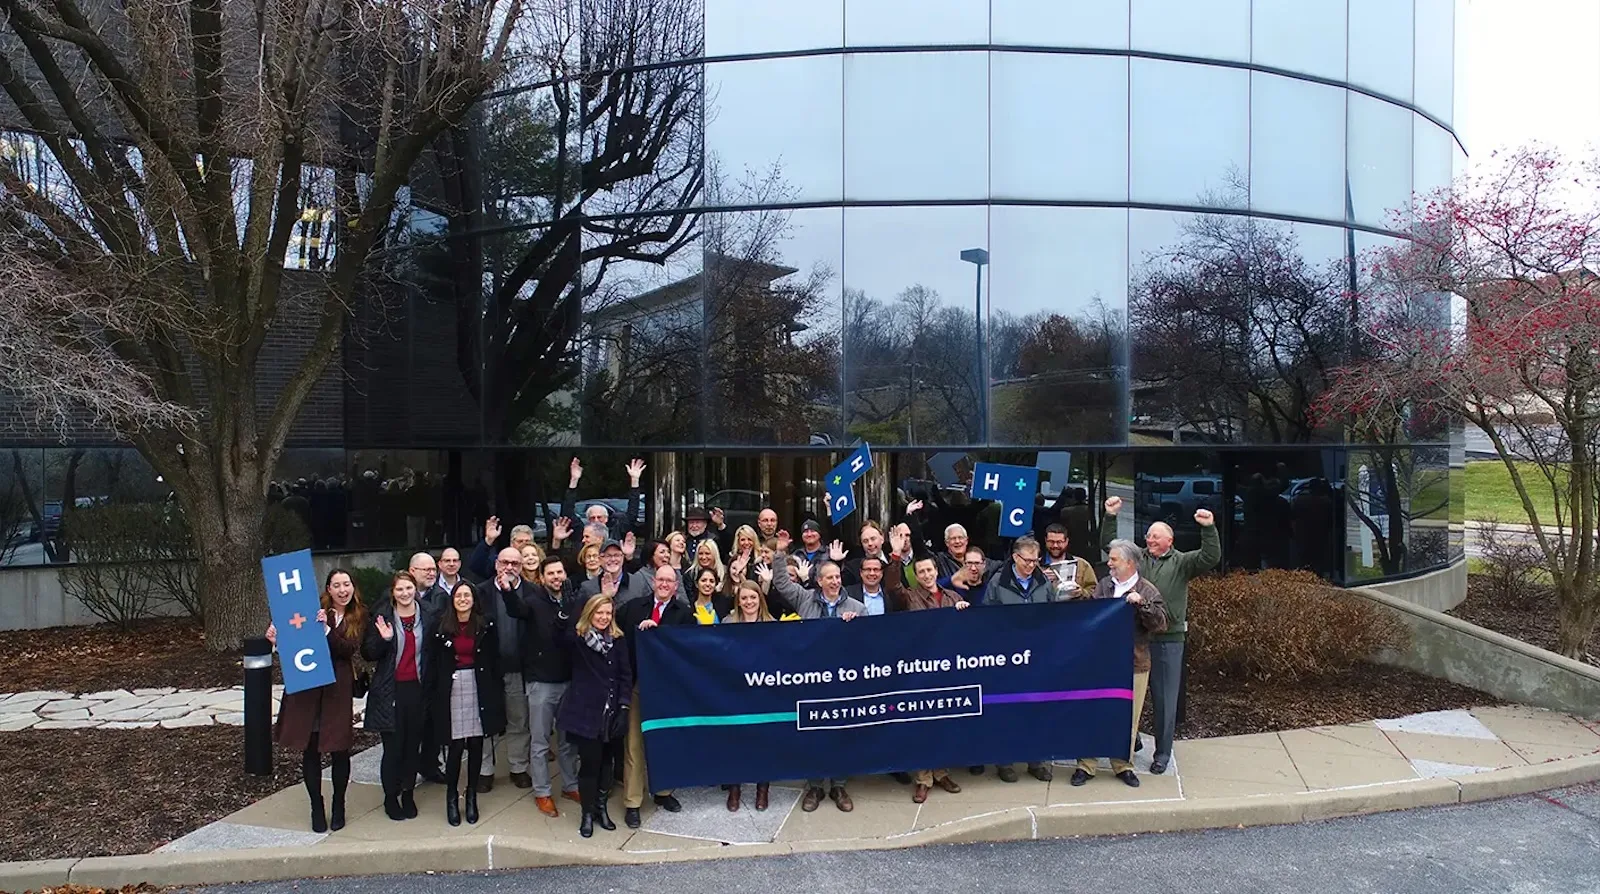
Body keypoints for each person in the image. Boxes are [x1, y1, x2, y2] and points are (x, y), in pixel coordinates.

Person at [1100, 496, 1221, 775]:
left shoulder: (1183, 562)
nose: (1150, 539)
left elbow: (1210, 557)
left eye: (1155, 536)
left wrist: (1208, 528)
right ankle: (1135, 742)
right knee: (1130, 695)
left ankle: (1163, 753)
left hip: (1169, 639)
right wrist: (1110, 517)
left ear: (1170, 540)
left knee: (1165, 700)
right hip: (1137, 638)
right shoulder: (1138, 559)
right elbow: (1112, 549)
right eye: (1148, 535)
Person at [266, 568, 364, 833]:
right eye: (337, 585)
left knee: (339, 748)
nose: (343, 590)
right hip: (309, 690)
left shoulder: (358, 617)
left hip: (337, 691)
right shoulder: (311, 611)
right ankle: (316, 806)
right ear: (328, 589)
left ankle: (339, 805)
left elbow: (347, 650)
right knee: (310, 749)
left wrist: (326, 631)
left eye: (347, 584)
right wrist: (278, 640)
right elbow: (295, 647)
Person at [764, 558, 865, 812]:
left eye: (837, 577)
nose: (835, 581)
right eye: (829, 578)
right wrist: (779, 555)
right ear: (818, 581)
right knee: (814, 733)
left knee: (841, 734)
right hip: (811, 681)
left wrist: (856, 627)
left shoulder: (858, 607)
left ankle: (839, 786)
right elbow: (781, 583)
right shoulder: (805, 598)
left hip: (842, 683)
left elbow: (866, 645)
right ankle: (816, 786)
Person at [1071, 539, 1167, 789]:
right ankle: (1086, 765)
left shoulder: (1147, 590)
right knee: (1091, 712)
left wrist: (1142, 605)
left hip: (1133, 664)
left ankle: (1122, 765)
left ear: (1130, 563)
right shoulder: (1103, 585)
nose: (1109, 564)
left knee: (1128, 718)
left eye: (1114, 559)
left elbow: (1160, 624)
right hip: (1099, 662)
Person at [881, 536, 971, 803]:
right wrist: (895, 556)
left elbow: (965, 635)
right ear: (917, 576)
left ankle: (941, 773)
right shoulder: (909, 597)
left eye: (930, 570)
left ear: (936, 571)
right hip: (920, 671)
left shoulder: (953, 596)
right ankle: (923, 779)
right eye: (921, 572)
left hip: (947, 671)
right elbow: (892, 586)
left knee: (943, 725)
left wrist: (964, 611)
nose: (927, 574)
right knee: (922, 726)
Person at [500, 554, 585, 816]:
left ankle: (570, 785)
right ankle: (543, 792)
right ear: (542, 577)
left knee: (568, 741)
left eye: (560, 573)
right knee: (539, 741)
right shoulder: (533, 602)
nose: (557, 578)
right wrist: (507, 592)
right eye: (551, 574)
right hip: (541, 682)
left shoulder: (574, 601)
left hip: (569, 679)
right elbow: (516, 609)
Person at [617, 564, 695, 827]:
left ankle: (663, 793)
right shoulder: (632, 608)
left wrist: (658, 633)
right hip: (637, 684)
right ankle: (633, 802)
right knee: (634, 745)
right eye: (660, 579)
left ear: (675, 587)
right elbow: (618, 641)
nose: (663, 584)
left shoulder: (684, 613)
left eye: (669, 581)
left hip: (668, 688)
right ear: (653, 582)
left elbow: (688, 651)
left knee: (666, 741)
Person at [424, 582, 507, 825]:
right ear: (452, 599)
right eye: (458, 595)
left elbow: (494, 660)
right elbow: (433, 663)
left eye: (467, 595)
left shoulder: (486, 624)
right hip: (451, 688)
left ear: (474, 599)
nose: (463, 599)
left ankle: (471, 796)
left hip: (479, 686)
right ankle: (452, 797)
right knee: (456, 747)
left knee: (476, 745)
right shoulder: (441, 627)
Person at [556, 593, 632, 838]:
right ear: (590, 613)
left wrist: (623, 707)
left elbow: (624, 676)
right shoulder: (578, 639)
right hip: (586, 713)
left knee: (607, 765)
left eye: (608, 613)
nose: (604, 617)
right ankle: (587, 813)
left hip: (611, 713)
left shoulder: (618, 640)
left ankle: (601, 807)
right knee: (590, 765)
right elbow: (561, 633)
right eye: (599, 612)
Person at [362, 571, 430, 821]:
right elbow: (368, 652)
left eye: (409, 588)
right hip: (391, 690)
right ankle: (391, 796)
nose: (405, 593)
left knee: (413, 746)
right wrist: (384, 640)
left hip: (418, 689)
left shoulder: (428, 614)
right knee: (393, 748)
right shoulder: (382, 617)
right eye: (399, 589)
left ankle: (409, 793)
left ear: (415, 589)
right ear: (393, 592)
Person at [474, 547, 533, 793]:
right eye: (505, 562)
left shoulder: (532, 592)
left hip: (518, 668)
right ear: (496, 564)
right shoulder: (480, 592)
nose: (509, 567)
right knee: (485, 721)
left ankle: (518, 767)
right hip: (488, 668)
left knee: (519, 720)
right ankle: (485, 771)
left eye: (515, 563)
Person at [722, 580, 775, 811]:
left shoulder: (772, 624)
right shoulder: (727, 623)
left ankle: (762, 789)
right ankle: (734, 788)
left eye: (753, 597)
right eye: (744, 598)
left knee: (765, 742)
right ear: (738, 601)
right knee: (735, 740)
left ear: (759, 599)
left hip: (764, 690)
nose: (749, 602)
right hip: (735, 690)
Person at [559, 457, 646, 541]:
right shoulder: (582, 534)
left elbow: (632, 514)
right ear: (588, 520)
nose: (596, 521)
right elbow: (568, 513)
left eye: (599, 517)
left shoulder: (616, 533)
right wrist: (574, 480)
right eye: (592, 518)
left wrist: (635, 480)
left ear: (606, 519)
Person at [1041, 523, 1098, 599]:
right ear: (1045, 541)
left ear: (1066, 541)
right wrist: (1040, 579)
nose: (1055, 546)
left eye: (1059, 542)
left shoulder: (1082, 564)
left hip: (1074, 608)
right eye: (1051, 541)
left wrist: (1081, 592)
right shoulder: (1035, 565)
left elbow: (1095, 591)